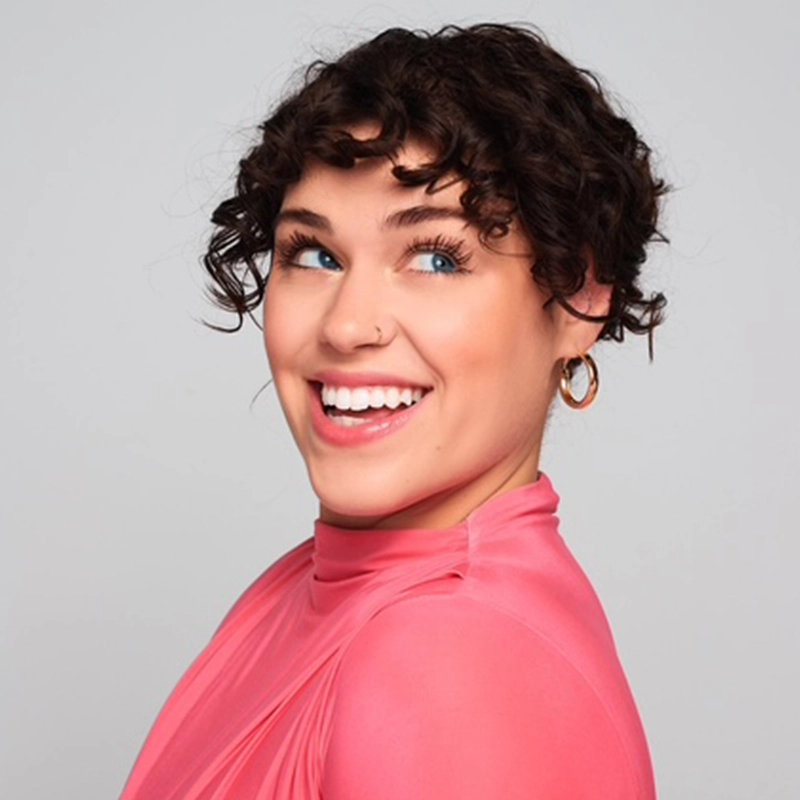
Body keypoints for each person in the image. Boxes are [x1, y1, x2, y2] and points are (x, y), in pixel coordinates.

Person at [120, 22, 667, 800]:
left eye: (437, 258)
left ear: (578, 295)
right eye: (314, 254)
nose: (348, 326)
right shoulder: (296, 595)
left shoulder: (446, 657)